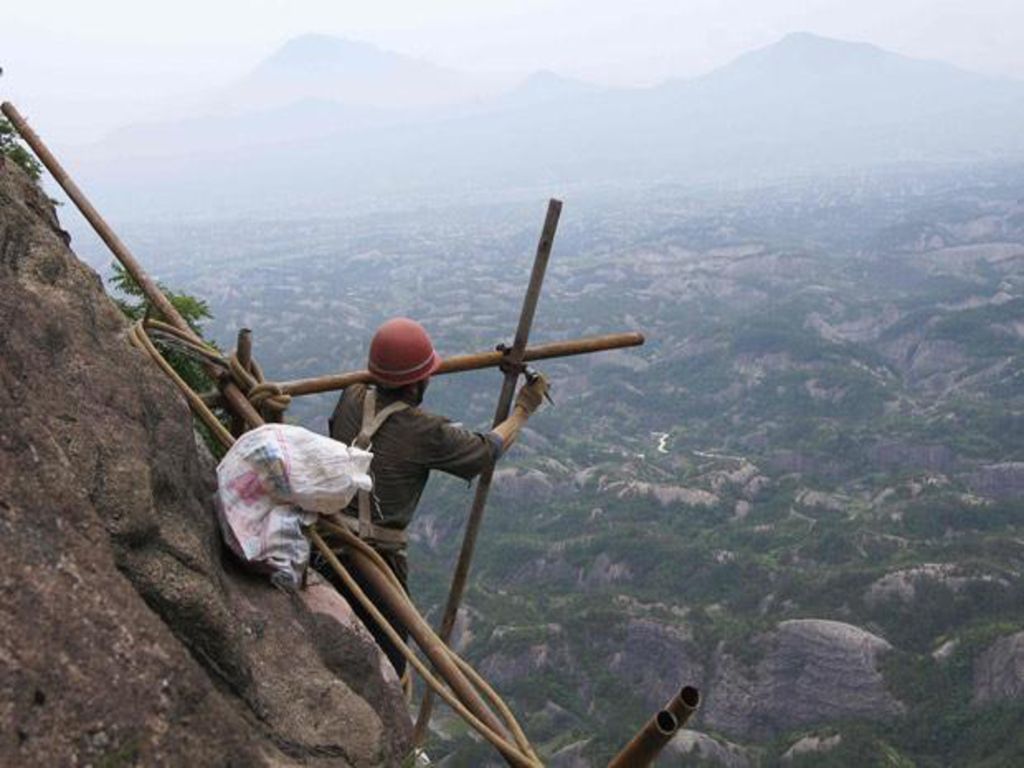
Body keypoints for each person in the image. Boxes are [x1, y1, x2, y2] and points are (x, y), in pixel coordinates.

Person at [313, 317, 548, 677]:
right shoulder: (424, 431)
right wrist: (523, 409)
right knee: (389, 662)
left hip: (324, 548)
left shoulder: (351, 396)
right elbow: (486, 450)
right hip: (376, 564)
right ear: (417, 382)